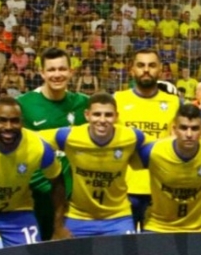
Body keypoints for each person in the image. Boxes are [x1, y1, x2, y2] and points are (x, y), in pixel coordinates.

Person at [44, 93, 147, 237]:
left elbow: (160, 148)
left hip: (118, 216)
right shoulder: (68, 137)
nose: (102, 120)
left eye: (108, 115)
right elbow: (32, 140)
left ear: (116, 116)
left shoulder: (133, 137)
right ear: (87, 115)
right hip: (78, 216)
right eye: (97, 114)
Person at [17, 47, 89, 241]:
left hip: (75, 199)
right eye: (51, 70)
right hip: (37, 196)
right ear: (42, 72)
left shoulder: (85, 104)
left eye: (62, 69)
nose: (57, 75)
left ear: (71, 72)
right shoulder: (23, 104)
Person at [114, 48, 181, 229]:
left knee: (154, 251)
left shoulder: (175, 103)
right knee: (122, 249)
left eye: (151, 65)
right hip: (123, 190)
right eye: (140, 65)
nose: (146, 70)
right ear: (131, 69)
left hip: (160, 190)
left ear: (160, 70)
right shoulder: (117, 100)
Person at [140, 104, 201, 232]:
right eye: (183, 128)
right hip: (157, 227)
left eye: (195, 129)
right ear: (174, 129)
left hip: (198, 229)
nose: (189, 134)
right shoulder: (152, 152)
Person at [0, 98, 65, 247]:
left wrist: (58, 226)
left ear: (22, 122)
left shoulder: (39, 148)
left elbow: (57, 182)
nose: (8, 126)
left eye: (15, 121)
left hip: (17, 211)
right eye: (1, 120)